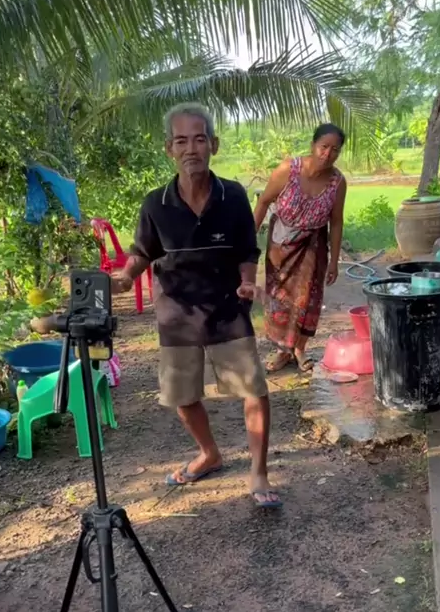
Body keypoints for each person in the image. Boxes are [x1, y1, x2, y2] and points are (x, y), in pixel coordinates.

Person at [112, 103, 281, 509]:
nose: (191, 149)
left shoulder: (233, 196)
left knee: (254, 390)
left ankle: (259, 472)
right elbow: (142, 252)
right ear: (169, 148)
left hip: (226, 307)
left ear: (214, 145)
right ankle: (209, 453)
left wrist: (247, 281)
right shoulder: (155, 204)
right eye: (182, 141)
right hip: (177, 311)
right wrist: (126, 277)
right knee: (183, 396)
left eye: (200, 139)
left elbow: (246, 249)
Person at [254, 123, 347, 373]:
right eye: (324, 147)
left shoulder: (338, 182)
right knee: (279, 298)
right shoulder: (288, 170)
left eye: (335, 150)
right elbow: (263, 203)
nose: (328, 154)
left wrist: (334, 261)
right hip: (280, 245)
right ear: (313, 145)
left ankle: (299, 349)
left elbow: (336, 222)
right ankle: (282, 351)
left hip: (313, 247)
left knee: (307, 299)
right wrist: (248, 240)